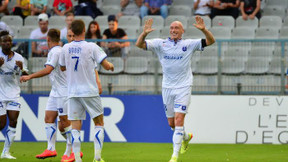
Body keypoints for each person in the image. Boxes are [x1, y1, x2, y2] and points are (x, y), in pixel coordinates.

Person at [135, 16, 215, 162]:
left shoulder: (189, 44)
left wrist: (204, 30)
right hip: (167, 87)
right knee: (172, 124)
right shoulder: (161, 44)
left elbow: (211, 41)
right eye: (171, 28)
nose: (173, 30)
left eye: (176, 28)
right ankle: (186, 137)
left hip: (184, 86)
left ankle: (174, 157)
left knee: (179, 120)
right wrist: (144, 33)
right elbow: (139, 45)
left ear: (182, 31)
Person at [59, 19, 114, 162]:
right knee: (99, 123)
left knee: (75, 127)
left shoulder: (65, 48)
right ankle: (97, 157)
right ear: (84, 30)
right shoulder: (91, 47)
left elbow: (62, 67)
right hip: (89, 91)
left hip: (72, 93)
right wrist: (111, 66)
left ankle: (77, 159)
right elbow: (106, 65)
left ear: (72, 31)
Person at [0, 30, 28, 160]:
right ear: (0, 43)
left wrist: (22, 69)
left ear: (12, 43)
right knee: (1, 124)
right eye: (4, 41)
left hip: (13, 94)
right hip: (0, 94)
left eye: (9, 41)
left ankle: (5, 152)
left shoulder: (19, 58)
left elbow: (25, 75)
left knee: (13, 120)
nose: (7, 43)